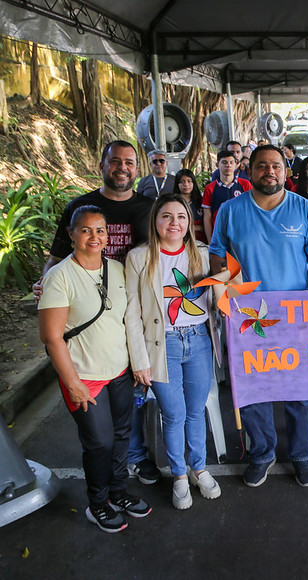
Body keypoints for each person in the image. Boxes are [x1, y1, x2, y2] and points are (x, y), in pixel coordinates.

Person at [34, 140, 160, 487]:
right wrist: (46, 284)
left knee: (131, 391)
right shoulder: (80, 207)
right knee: (100, 411)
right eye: (115, 161)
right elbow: (57, 256)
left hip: (133, 305)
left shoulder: (149, 208)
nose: (122, 168)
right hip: (88, 309)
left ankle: (134, 455)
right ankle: (109, 477)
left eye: (130, 163)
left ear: (138, 169)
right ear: (102, 165)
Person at [209, 144, 308, 488]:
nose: (270, 172)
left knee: (299, 390)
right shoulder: (230, 211)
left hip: (296, 318)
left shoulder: (306, 210)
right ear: (251, 171)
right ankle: (262, 453)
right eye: (262, 166)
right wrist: (226, 292)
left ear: (285, 171)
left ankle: (302, 455)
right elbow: (218, 257)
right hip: (247, 318)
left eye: (276, 166)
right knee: (252, 389)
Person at [39, 206, 151, 532]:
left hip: (120, 372)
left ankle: (118, 492)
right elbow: (52, 337)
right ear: (72, 234)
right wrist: (73, 383)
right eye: (85, 230)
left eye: (100, 230)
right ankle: (98, 502)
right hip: (84, 378)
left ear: (108, 235)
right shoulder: (60, 276)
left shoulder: (116, 269)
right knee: (99, 442)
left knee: (121, 436)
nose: (94, 236)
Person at [125, 193, 221, 510]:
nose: (174, 223)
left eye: (180, 216)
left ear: (188, 222)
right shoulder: (139, 258)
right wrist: (139, 361)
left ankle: (199, 468)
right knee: (174, 413)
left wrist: (228, 285)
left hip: (198, 341)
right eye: (166, 216)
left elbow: (227, 290)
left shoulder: (204, 255)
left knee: (195, 411)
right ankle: (179, 476)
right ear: (155, 221)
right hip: (161, 344)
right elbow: (132, 313)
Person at [201, 149, 253, 242]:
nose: (228, 165)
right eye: (224, 162)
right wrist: (210, 241)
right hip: (220, 237)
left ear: (236, 165)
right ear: (217, 165)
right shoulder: (210, 188)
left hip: (242, 236)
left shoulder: (246, 185)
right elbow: (207, 216)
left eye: (231, 162)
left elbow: (252, 210)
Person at [173, 169, 205, 243]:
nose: (186, 184)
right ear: (177, 184)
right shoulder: (173, 202)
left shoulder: (201, 201)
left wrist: (191, 227)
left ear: (193, 182)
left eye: (189, 181)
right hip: (179, 242)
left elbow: (208, 225)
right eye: (182, 182)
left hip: (200, 242)